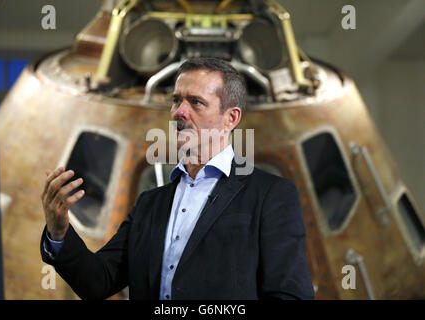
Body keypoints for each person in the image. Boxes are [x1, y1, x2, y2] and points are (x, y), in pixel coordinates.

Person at [40, 57, 315, 300]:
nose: (179, 113)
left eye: (196, 102)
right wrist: (59, 232)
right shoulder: (150, 205)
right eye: (176, 100)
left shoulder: (271, 195)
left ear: (230, 118)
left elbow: (289, 294)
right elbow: (97, 282)